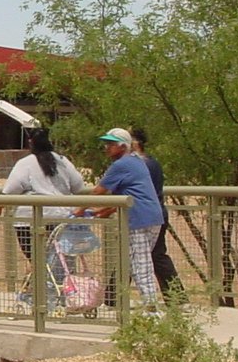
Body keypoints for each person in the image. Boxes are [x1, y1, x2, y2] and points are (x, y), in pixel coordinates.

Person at [76, 128, 164, 308]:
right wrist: (104, 211)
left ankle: (151, 309)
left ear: (123, 146)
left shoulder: (121, 165)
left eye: (111, 144)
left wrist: (79, 210)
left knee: (140, 267)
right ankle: (129, 302)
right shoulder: (137, 161)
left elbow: (98, 191)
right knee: (135, 263)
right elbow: (127, 193)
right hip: (153, 217)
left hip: (138, 219)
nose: (106, 148)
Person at [0, 128, 88, 265]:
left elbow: (12, 189)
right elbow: (78, 186)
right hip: (62, 215)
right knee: (61, 260)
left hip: (30, 219)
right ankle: (55, 282)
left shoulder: (25, 163)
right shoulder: (62, 161)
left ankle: (41, 279)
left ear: (30, 142)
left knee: (36, 259)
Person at [130, 127, 181, 295]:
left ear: (135, 143)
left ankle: (177, 297)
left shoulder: (142, 164)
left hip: (147, 217)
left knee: (150, 255)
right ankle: (112, 297)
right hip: (156, 213)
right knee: (145, 255)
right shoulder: (152, 162)